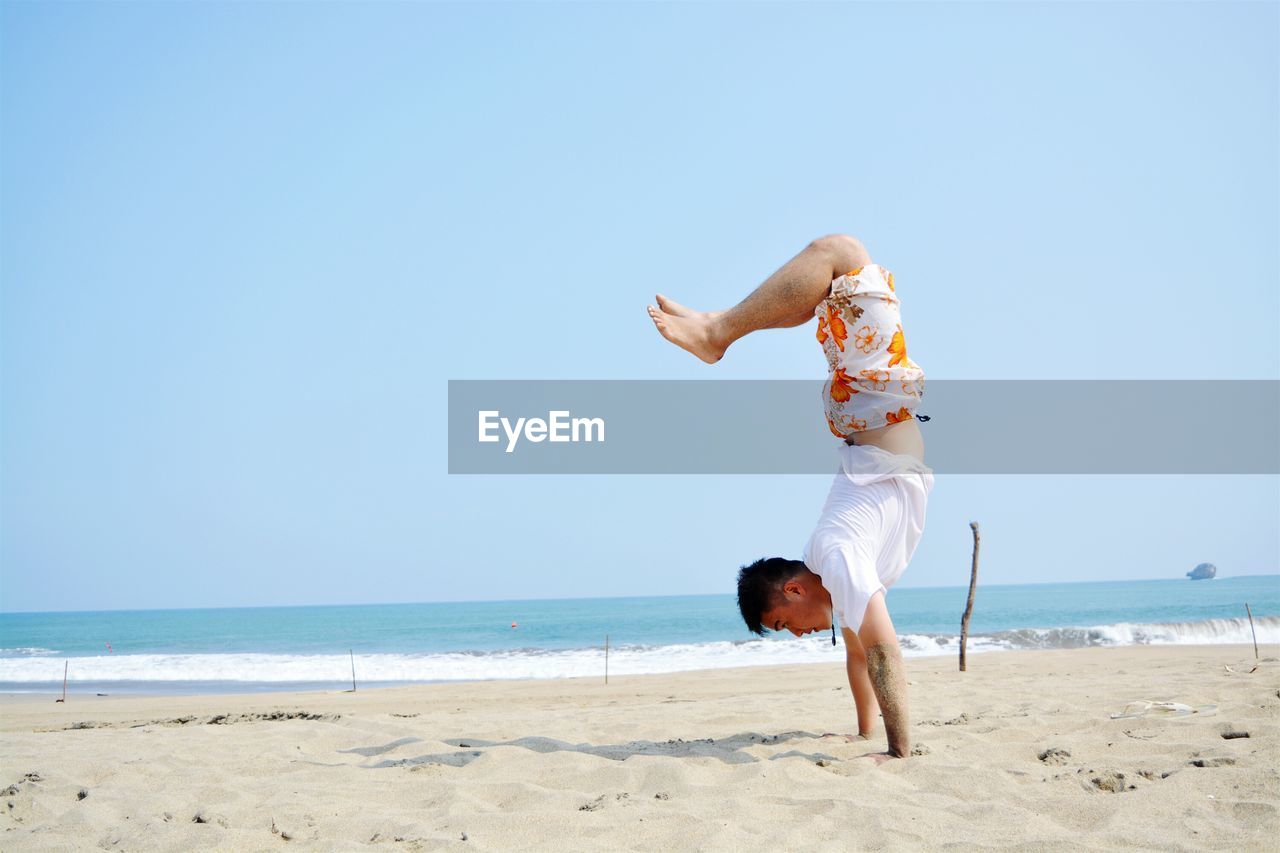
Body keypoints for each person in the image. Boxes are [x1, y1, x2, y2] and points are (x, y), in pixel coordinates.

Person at [647, 234, 934, 761]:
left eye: (782, 623)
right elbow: (857, 655)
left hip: (875, 407)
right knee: (827, 289)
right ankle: (720, 325)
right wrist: (865, 734)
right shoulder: (843, 580)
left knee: (839, 253)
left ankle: (717, 331)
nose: (796, 636)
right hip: (866, 412)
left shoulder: (840, 556)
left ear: (796, 591)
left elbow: (884, 655)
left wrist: (900, 753)